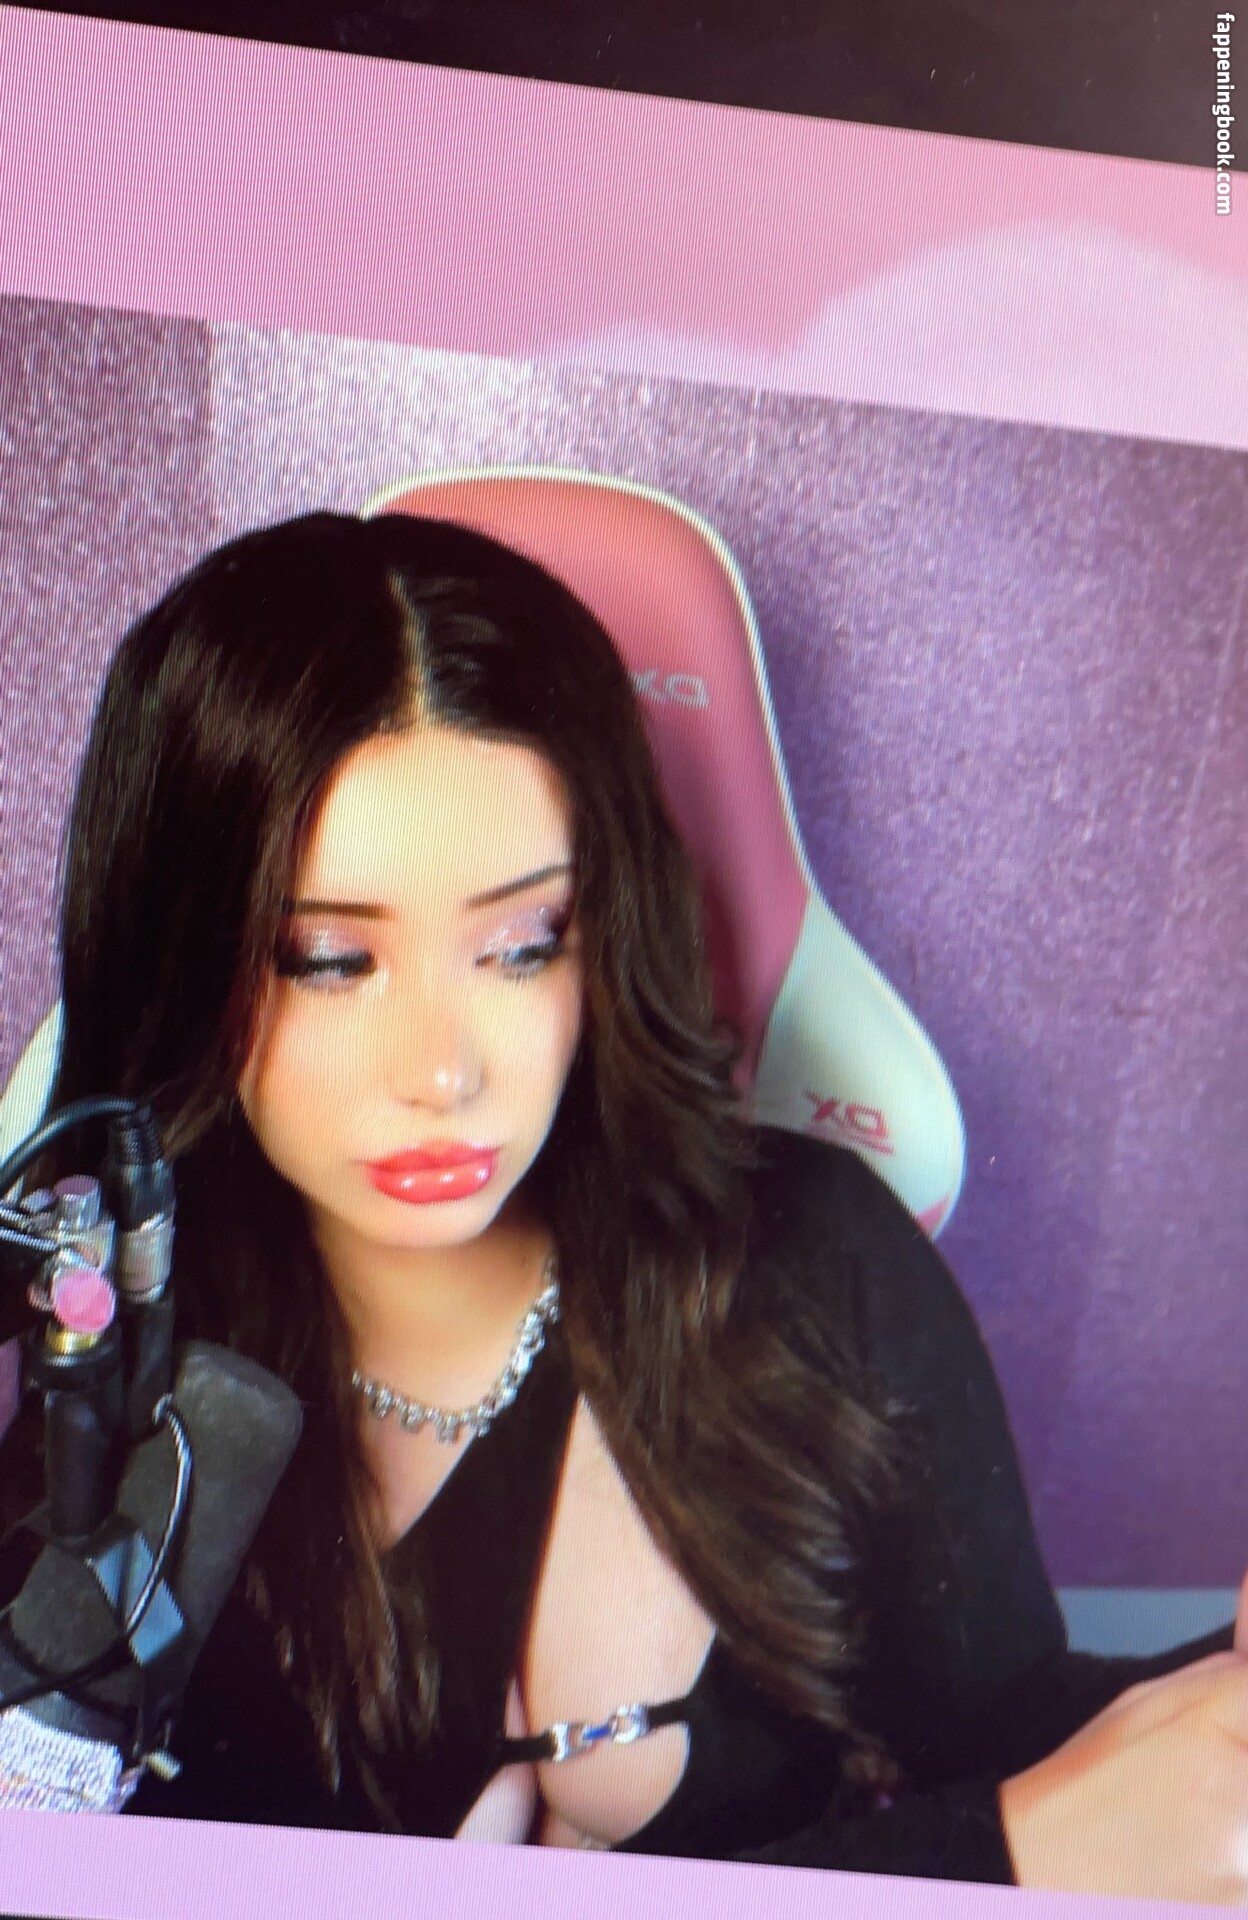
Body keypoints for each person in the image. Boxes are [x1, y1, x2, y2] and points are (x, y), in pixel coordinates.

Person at [13, 509, 1248, 1897]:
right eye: (328, 961)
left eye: (523, 943)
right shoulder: (120, 1398)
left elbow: (1025, 1739)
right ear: (183, 956)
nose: (444, 1073)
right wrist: (995, 1857)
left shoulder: (814, 1262)